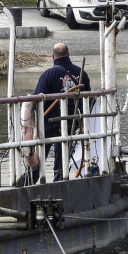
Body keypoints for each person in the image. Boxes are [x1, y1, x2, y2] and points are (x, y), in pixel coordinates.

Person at [33, 42, 91, 182]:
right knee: (63, 145)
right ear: (68, 55)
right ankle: (59, 176)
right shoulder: (81, 73)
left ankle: (31, 178)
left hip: (50, 123)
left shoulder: (48, 74)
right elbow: (89, 98)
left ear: (53, 56)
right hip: (74, 122)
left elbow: (36, 100)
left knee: (41, 151)